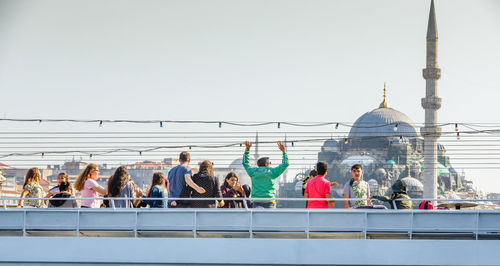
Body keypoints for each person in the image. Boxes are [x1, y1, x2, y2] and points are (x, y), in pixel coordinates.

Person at [242, 141, 289, 208]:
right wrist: (284, 152)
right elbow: (285, 164)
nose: (271, 164)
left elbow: (245, 163)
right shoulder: (272, 172)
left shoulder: (253, 172)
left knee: (255, 218)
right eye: (270, 162)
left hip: (256, 202)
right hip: (269, 202)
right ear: (266, 164)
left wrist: (247, 149)